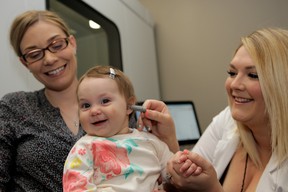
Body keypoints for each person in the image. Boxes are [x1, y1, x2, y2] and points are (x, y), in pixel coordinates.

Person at [141, 28, 288, 191]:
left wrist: (212, 189)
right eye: (232, 73)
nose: (234, 84)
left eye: (253, 75)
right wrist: (169, 144)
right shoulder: (228, 120)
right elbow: (183, 181)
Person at [62, 66, 202, 192]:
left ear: (129, 106)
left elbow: (174, 175)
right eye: (86, 105)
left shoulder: (150, 142)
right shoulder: (84, 148)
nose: (94, 111)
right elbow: (76, 188)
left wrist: (185, 166)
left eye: (105, 101)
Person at [0, 10, 86, 191]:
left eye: (56, 45)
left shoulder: (112, 101)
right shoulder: (14, 108)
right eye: (34, 54)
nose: (49, 59)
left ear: (72, 43)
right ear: (25, 64)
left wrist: (163, 137)